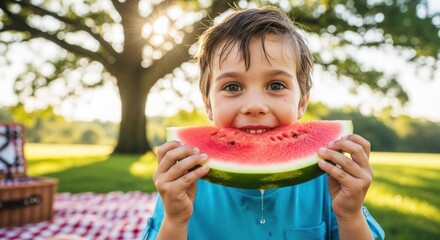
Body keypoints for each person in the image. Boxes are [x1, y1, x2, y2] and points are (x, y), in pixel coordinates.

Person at [141, 6, 384, 240]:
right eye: (232, 87)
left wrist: (350, 216)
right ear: (208, 104)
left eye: (276, 85)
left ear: (302, 102)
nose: (254, 105)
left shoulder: (328, 180)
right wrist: (175, 220)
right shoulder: (184, 185)